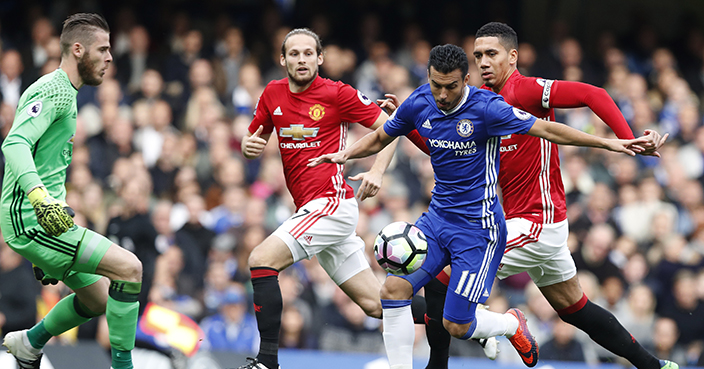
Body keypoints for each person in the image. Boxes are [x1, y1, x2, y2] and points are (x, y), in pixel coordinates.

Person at [308, 43, 650, 369]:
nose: (442, 95)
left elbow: (548, 128)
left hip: (481, 230)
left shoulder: (489, 108)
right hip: (438, 219)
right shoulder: (421, 100)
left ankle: (507, 325)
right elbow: (387, 135)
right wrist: (346, 154)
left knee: (455, 321)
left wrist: (612, 143)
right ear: (428, 76)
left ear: (466, 80)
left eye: (450, 87)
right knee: (394, 288)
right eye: (436, 85)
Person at [416, 22, 676, 369]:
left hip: (539, 221)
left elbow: (593, 94)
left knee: (440, 277)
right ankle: (655, 366)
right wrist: (403, 129)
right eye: (477, 55)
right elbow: (443, 147)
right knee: (575, 309)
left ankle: (457, 352)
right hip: (523, 225)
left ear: (513, 55)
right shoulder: (483, 104)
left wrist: (627, 139)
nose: (483, 61)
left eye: (491, 53)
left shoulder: (524, 90)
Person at [237, 28, 428, 369]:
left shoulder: (337, 93)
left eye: (308, 53)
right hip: (313, 209)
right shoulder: (272, 94)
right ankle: (473, 322)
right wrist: (247, 146)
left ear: (320, 58)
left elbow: (391, 125)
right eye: (293, 54)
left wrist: (376, 172)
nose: (301, 59)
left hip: (331, 204)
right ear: (283, 60)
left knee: (260, 259)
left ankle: (267, 362)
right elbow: (255, 140)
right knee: (376, 304)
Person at [0, 13, 143, 369]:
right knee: (130, 268)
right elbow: (14, 144)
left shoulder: (69, 93)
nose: (110, 57)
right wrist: (39, 199)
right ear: (78, 49)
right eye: (103, 49)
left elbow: (48, 165)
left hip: (46, 219)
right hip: (30, 218)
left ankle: (29, 342)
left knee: (97, 299)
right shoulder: (51, 89)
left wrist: (55, 206)